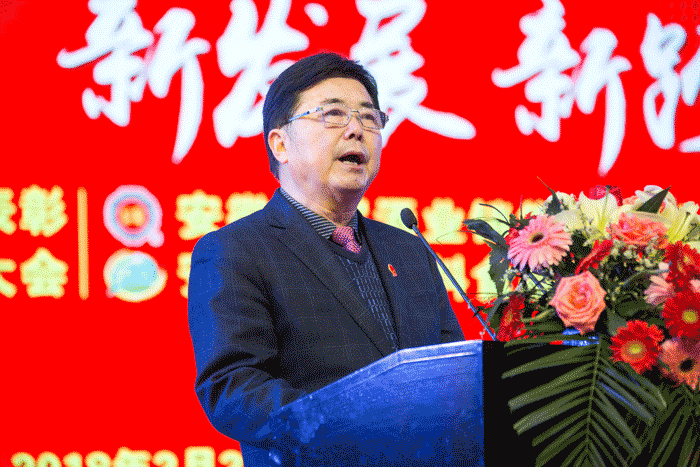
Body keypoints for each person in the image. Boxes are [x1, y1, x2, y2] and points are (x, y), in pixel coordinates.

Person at [187, 52, 464, 465]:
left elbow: (452, 374)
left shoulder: (409, 251)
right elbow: (233, 388)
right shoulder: (236, 250)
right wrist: (358, 426)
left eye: (369, 117)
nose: (356, 129)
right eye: (333, 115)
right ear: (280, 144)